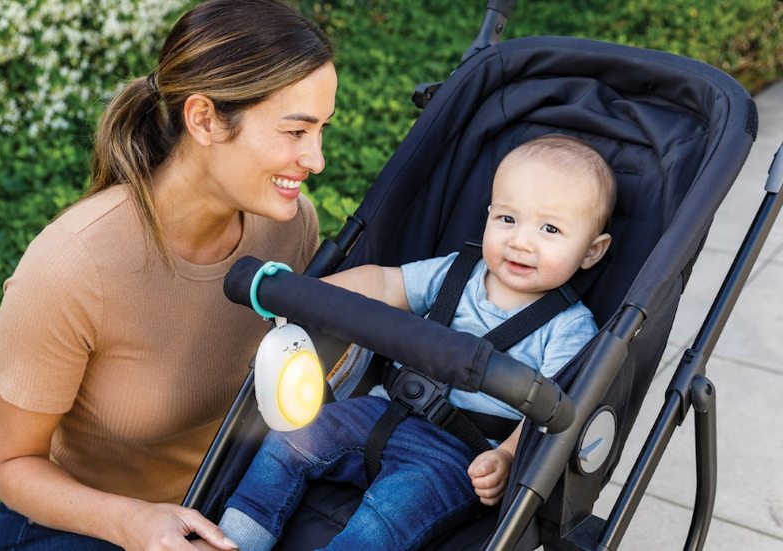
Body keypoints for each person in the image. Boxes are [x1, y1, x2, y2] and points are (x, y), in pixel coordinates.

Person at [0, 1, 336, 550]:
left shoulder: (290, 228)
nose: (316, 159)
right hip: (85, 524)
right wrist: (136, 523)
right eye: (295, 131)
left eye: (321, 130)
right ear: (203, 119)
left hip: (228, 499)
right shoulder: (71, 268)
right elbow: (12, 465)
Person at [197, 134, 617, 551]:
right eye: (507, 219)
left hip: (456, 455)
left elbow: (548, 412)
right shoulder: (456, 273)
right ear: (489, 215)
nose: (521, 241)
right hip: (381, 409)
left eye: (550, 229)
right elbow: (385, 284)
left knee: (385, 518)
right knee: (288, 439)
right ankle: (232, 542)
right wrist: (310, 295)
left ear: (591, 252)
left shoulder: (569, 327)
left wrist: (507, 457)